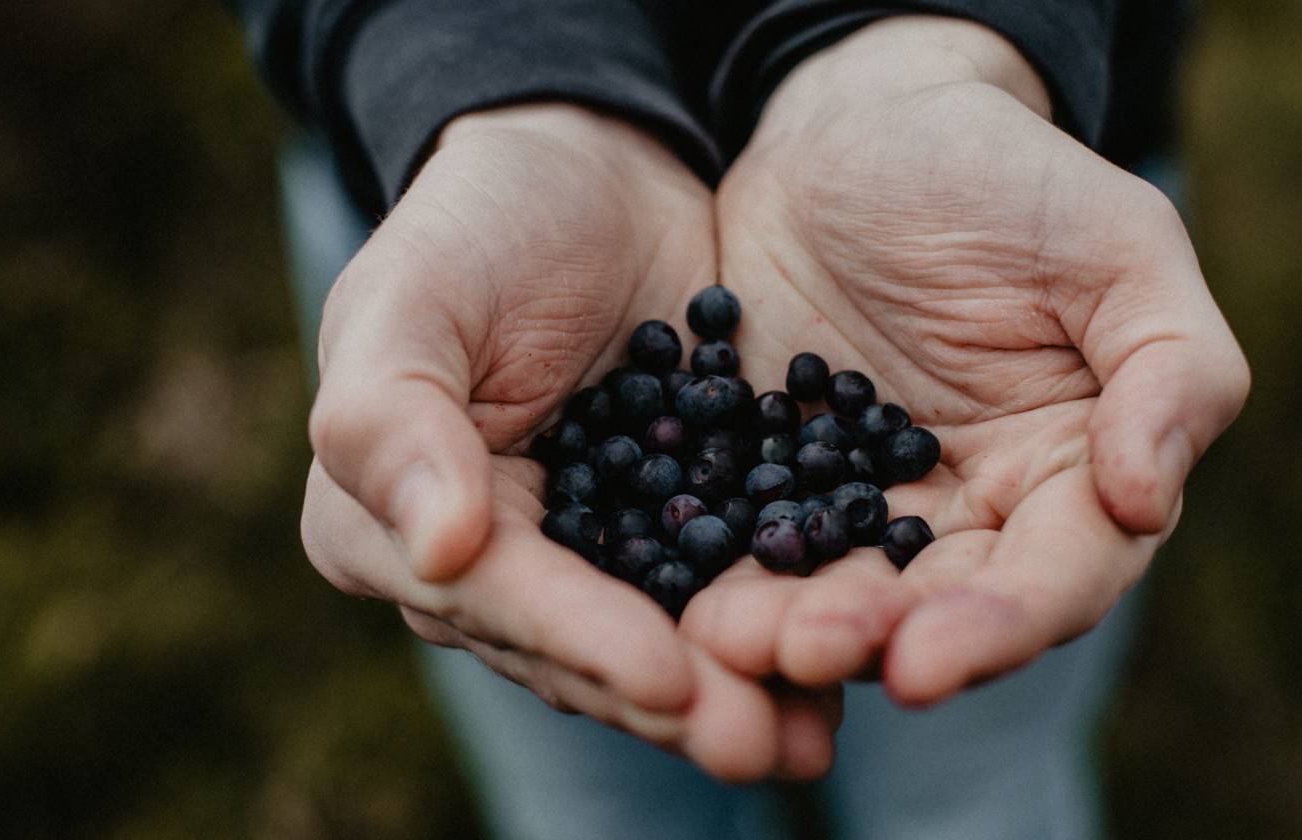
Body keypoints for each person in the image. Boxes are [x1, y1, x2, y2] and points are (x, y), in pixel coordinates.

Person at [232, 2, 1250, 837]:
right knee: (600, 803)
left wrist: (941, 43)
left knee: (970, 794)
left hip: (1009, 193)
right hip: (444, 178)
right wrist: (484, 73)